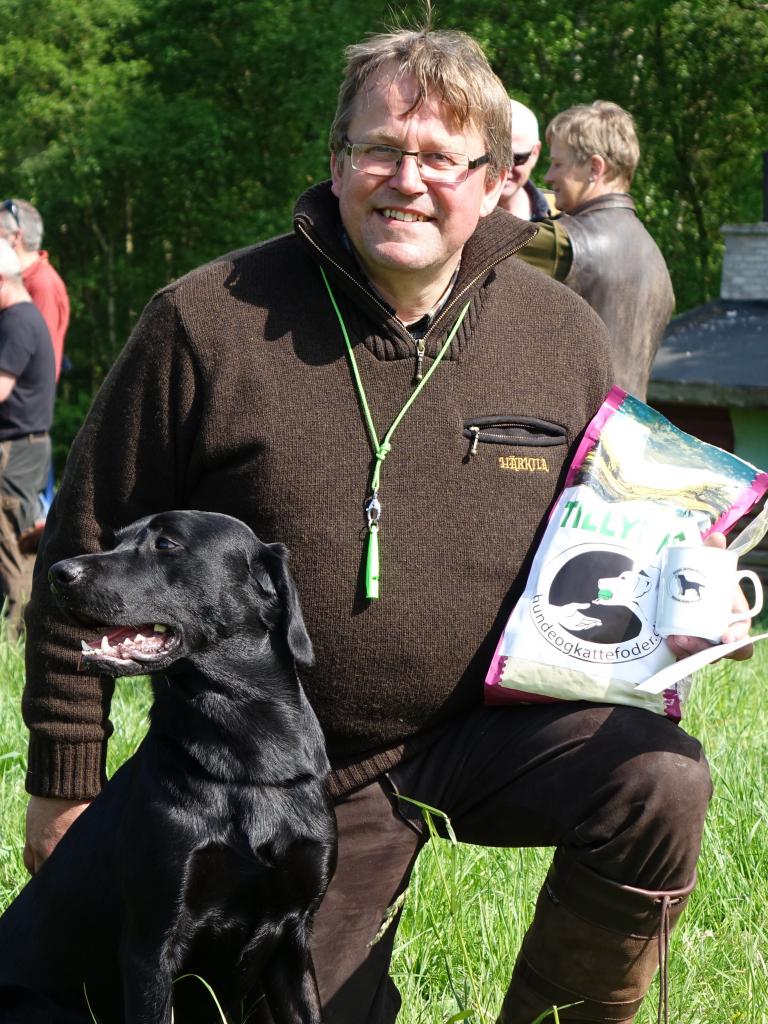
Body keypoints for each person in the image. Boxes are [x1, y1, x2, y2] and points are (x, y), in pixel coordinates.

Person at [20, 26, 750, 1024]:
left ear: (494, 181)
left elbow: (627, 531)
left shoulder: (560, 334)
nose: (408, 181)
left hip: (493, 731)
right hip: (285, 773)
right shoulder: (206, 322)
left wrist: (693, 602)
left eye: (442, 158)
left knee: (660, 779)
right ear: (336, 163)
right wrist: (66, 782)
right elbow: (86, 540)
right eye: (380, 150)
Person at [542, 101, 675, 400]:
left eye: (557, 164)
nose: (548, 176)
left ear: (594, 168)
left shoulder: (565, 241)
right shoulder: (654, 255)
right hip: (629, 424)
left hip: (575, 427)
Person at [0, 238, 55, 632]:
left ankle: (16, 635)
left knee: (11, 545)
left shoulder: (18, 321)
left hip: (16, 450)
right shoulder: (23, 316)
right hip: (25, 447)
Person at [0, 198, 70, 382]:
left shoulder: (43, 285)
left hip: (18, 397)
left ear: (16, 237)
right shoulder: (14, 279)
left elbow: (37, 360)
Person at [497, 99, 555, 222]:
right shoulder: (456, 222)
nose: (505, 168)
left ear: (534, 154)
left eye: (517, 158)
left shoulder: (564, 216)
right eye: (495, 157)